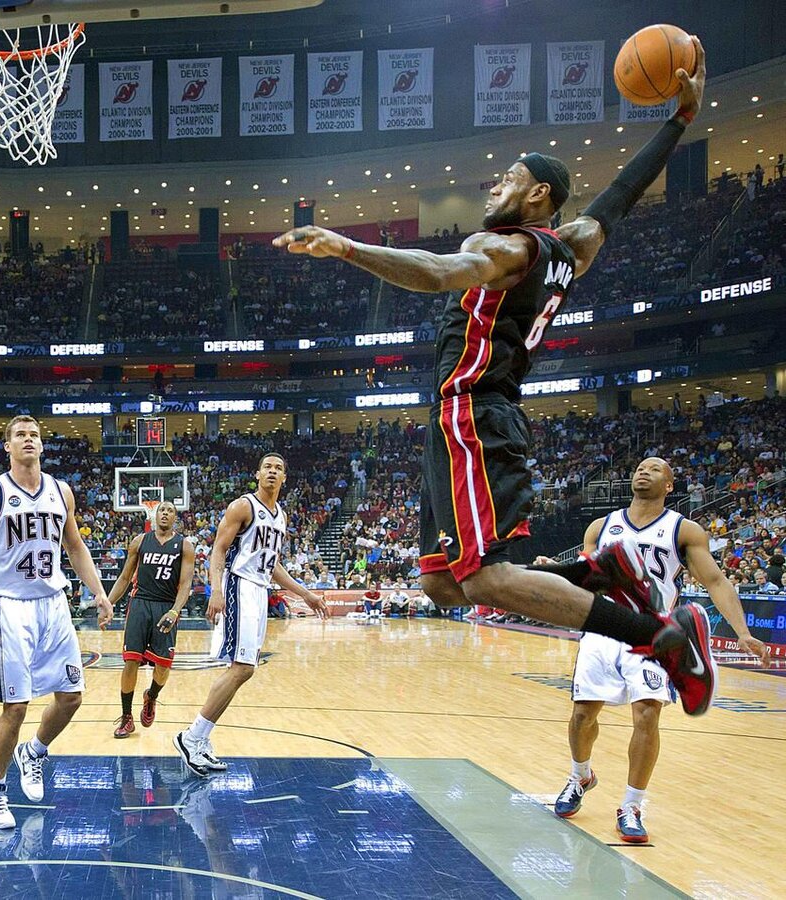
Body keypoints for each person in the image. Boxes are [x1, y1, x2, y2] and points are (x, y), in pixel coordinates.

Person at [273, 39, 716, 716]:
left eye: (508, 176)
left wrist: (348, 247)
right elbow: (618, 200)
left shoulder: (502, 246)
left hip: (474, 413)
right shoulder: (574, 246)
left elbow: (439, 273)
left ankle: (662, 637)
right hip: (460, 420)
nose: (494, 185)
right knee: (443, 586)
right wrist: (678, 122)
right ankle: (595, 570)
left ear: (538, 194)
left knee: (482, 577)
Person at [546, 457, 767, 843]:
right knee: (583, 715)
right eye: (639, 467)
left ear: (669, 484)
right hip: (603, 627)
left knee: (647, 715)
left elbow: (715, 580)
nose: (642, 471)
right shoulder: (601, 526)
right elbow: (586, 580)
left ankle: (632, 805)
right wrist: (555, 575)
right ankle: (580, 775)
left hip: (653, 632)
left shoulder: (684, 529)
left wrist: (743, 631)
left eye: (654, 468)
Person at [0, 415, 113, 830]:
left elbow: (75, 546)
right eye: (20, 435)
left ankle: (34, 753)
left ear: (42, 446)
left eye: (35, 435)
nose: (29, 440)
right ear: (7, 446)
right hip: (10, 606)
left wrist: (98, 592)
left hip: (54, 602)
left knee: (71, 697)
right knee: (17, 706)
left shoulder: (62, 492)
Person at [174, 454, 328, 777]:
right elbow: (218, 549)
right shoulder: (242, 507)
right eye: (267, 467)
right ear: (257, 474)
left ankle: (197, 738)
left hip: (259, 590)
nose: (272, 472)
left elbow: (273, 567)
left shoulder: (281, 517)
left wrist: (306, 594)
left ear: (285, 478)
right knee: (241, 668)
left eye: (279, 469)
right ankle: (192, 737)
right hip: (239, 586)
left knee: (244, 670)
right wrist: (216, 589)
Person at [103, 501, 196, 738]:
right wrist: (108, 604)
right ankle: (126, 717)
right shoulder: (139, 541)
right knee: (130, 662)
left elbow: (185, 585)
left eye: (170, 510)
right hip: (140, 604)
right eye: (161, 510)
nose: (165, 513)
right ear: (155, 515)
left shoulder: (184, 545)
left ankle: (151, 696)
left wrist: (175, 611)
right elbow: (124, 578)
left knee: (163, 666)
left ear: (176, 518)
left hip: (166, 607)